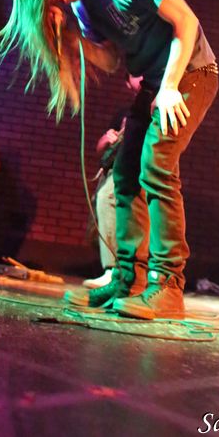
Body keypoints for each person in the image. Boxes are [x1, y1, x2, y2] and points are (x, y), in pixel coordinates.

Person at [0, 0, 218, 319]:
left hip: (192, 73)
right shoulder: (81, 9)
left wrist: (170, 86)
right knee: (124, 175)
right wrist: (68, 33)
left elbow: (187, 23)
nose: (52, 0)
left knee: (157, 167)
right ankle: (128, 281)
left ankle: (168, 286)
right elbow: (109, 61)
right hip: (155, 84)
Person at [82, 74, 149, 290]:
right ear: (128, 84)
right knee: (106, 202)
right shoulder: (125, 113)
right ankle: (116, 271)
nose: (140, 77)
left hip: (138, 167)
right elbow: (100, 149)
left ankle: (118, 271)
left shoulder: (153, 107)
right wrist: (107, 139)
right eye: (135, 76)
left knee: (110, 200)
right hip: (117, 167)